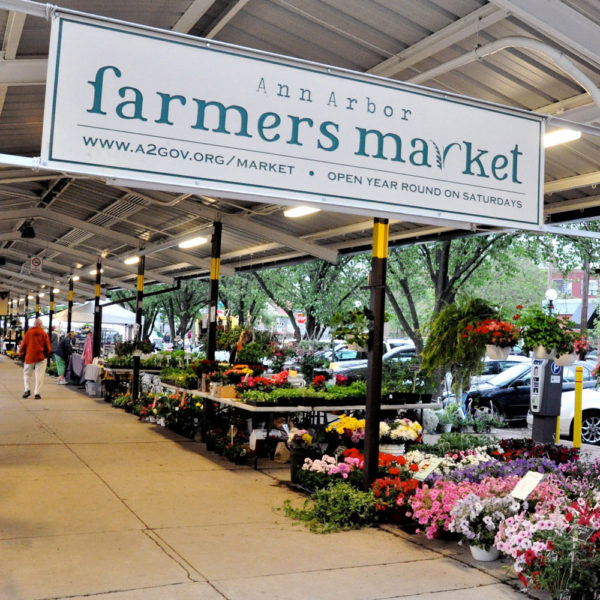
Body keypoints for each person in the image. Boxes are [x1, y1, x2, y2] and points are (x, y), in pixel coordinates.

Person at [18, 317, 51, 399]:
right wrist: (45, 355)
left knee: (27, 374)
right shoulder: (44, 334)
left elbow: (23, 345)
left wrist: (21, 354)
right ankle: (37, 393)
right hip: (41, 357)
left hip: (30, 357)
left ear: (34, 324)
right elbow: (48, 347)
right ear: (40, 325)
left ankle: (27, 390)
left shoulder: (28, 333)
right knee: (39, 375)